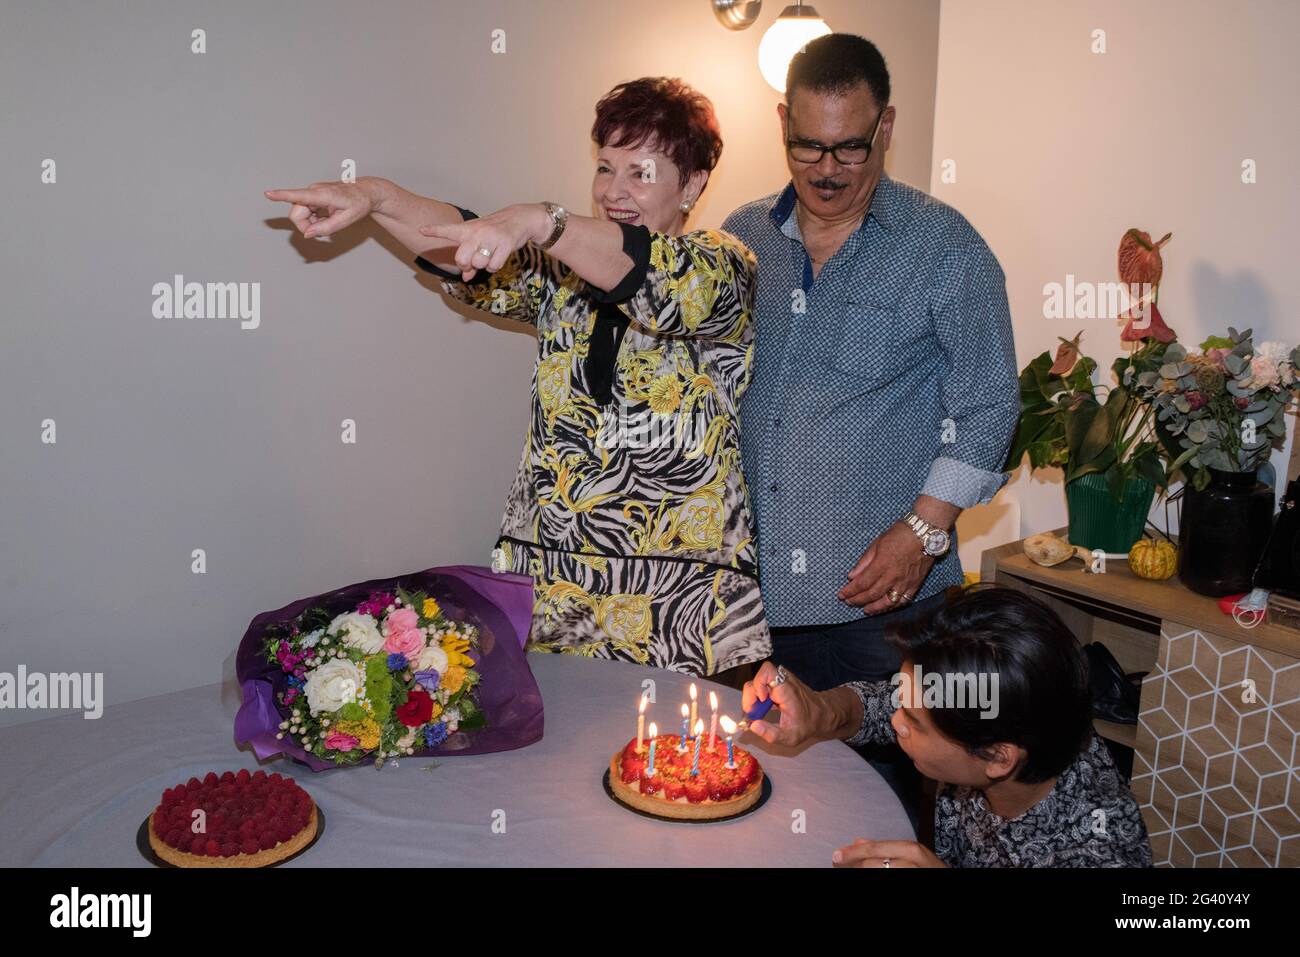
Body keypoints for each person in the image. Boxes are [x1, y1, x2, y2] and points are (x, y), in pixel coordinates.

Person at [265, 77, 771, 677]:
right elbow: (466, 249)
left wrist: (541, 221)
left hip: (686, 615)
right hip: (552, 601)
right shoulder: (563, 279)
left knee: (674, 773)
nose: (614, 191)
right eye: (605, 169)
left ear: (692, 184)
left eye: (641, 172)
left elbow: (646, 272)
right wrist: (376, 198)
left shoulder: (722, 267)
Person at [720, 33, 1020, 813]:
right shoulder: (742, 239)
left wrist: (924, 531)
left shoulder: (945, 247)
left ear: (886, 127)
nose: (826, 170)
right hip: (750, 607)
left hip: (880, 613)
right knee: (756, 807)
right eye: (808, 146)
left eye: (850, 148)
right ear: (783, 121)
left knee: (876, 814)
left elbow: (989, 402)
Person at [741, 585, 1153, 867]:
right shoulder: (1002, 716)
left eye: (914, 722)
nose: (894, 718)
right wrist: (821, 710)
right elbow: (884, 705)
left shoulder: (1098, 851)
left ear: (997, 757)